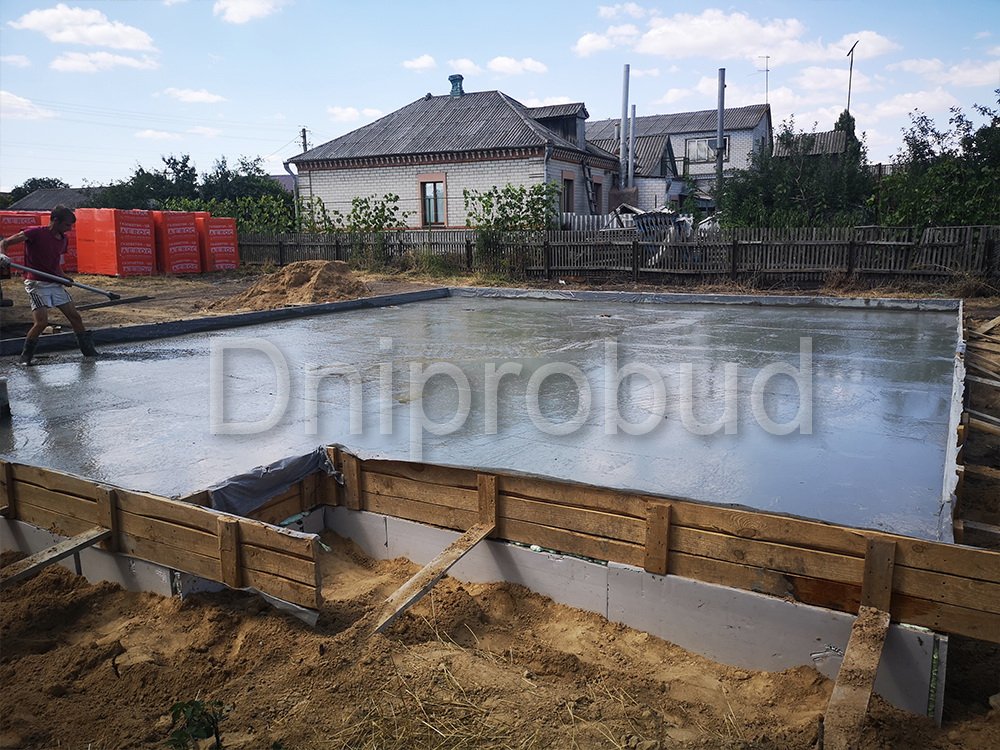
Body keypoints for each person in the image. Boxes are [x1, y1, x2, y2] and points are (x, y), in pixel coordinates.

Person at [0, 205, 98, 365]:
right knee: (41, 323)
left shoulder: (63, 240)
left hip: (54, 282)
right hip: (36, 284)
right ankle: (25, 357)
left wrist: (64, 277)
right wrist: (2, 255)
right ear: (56, 220)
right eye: (67, 225)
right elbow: (5, 242)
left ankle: (89, 352)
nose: (69, 229)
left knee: (75, 317)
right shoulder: (35, 233)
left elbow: (55, 263)